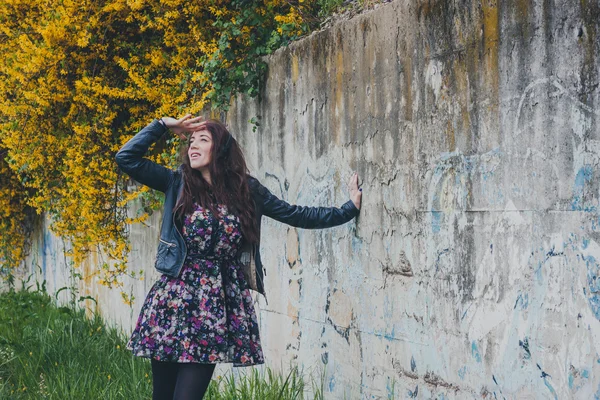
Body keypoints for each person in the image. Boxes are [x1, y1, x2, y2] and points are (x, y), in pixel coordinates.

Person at [115, 114, 362, 400]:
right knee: (162, 396)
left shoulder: (247, 190)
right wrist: (163, 125)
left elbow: (295, 214)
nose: (193, 146)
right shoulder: (177, 182)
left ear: (219, 149)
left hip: (212, 307)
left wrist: (348, 209)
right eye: (191, 141)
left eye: (203, 140)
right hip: (173, 300)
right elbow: (126, 158)